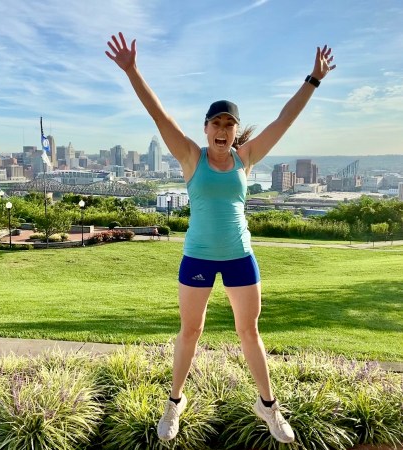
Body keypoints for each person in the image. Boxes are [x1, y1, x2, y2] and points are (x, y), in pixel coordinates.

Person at [105, 32, 335, 444]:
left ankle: (268, 407)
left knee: (249, 332)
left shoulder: (246, 158)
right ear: (207, 128)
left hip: (239, 257)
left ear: (235, 132)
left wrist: (313, 80)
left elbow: (283, 120)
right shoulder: (190, 157)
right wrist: (132, 71)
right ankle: (174, 402)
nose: (223, 130)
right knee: (190, 331)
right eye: (217, 123)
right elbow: (159, 116)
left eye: (229, 125)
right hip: (197, 257)